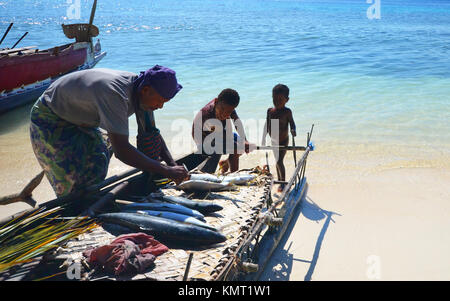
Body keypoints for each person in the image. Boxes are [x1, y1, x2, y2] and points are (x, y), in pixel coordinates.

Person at [30, 65, 188, 197]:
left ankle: (90, 194)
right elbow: (122, 151)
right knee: (69, 178)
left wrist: (173, 165)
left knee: (98, 160)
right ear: (146, 90)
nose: (160, 106)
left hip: (83, 118)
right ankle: (72, 211)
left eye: (164, 102)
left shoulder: (143, 90)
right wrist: (166, 170)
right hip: (51, 117)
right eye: (160, 101)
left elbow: (152, 133)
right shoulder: (116, 95)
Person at [192, 88, 253, 174]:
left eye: (229, 112)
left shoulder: (227, 105)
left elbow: (236, 121)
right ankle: (233, 175)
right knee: (234, 147)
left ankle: (226, 163)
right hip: (204, 140)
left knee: (241, 144)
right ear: (216, 101)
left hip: (219, 135)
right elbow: (223, 137)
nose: (224, 114)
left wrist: (245, 140)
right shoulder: (207, 114)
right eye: (222, 109)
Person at [261, 84, 296, 192]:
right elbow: (267, 125)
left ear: (287, 100)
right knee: (277, 161)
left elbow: (292, 123)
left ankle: (282, 183)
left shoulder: (287, 112)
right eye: (274, 99)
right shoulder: (270, 111)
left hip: (284, 140)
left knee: (279, 161)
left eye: (280, 99)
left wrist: (293, 130)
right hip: (274, 140)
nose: (277, 101)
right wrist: (263, 137)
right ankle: (280, 180)